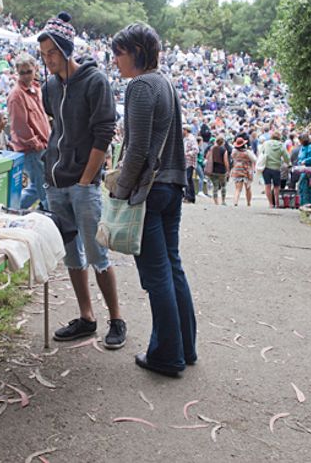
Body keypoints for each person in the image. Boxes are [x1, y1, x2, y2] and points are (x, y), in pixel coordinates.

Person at [110, 22, 196, 377]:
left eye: (119, 53)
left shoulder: (141, 86)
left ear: (137, 52)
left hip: (151, 189)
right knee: (172, 268)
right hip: (172, 186)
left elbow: (137, 150)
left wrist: (119, 191)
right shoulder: (166, 83)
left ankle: (166, 355)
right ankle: (185, 348)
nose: (115, 60)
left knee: (157, 276)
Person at [38, 15, 126, 349]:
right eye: (44, 54)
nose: (48, 59)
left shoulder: (95, 81)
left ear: (65, 49)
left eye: (52, 52)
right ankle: (86, 317)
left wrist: (87, 179)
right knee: (71, 256)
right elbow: (57, 126)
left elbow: (104, 134)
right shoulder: (49, 87)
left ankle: (116, 319)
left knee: (97, 253)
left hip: (83, 185)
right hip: (55, 182)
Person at [6, 52, 51, 209]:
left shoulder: (36, 89)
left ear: (35, 69)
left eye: (29, 71)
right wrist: (36, 143)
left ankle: (12, 209)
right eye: (22, 73)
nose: (26, 76)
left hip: (41, 145)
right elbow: (20, 126)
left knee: (37, 187)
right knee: (44, 188)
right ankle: (51, 216)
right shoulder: (16, 95)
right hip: (31, 149)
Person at [261, 128, 289, 208]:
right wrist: (287, 163)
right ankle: (277, 203)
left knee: (267, 185)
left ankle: (270, 204)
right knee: (277, 186)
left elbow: (261, 153)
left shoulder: (266, 143)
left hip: (266, 167)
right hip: (276, 168)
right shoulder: (281, 145)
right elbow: (286, 157)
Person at [230, 137, 255, 207]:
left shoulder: (234, 151)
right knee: (248, 188)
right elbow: (254, 159)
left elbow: (232, 158)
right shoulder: (248, 152)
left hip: (237, 170)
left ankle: (235, 202)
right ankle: (248, 203)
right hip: (246, 171)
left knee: (238, 189)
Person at [296, 134, 311, 207]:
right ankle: (303, 202)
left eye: (300, 140)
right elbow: (300, 157)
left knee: (309, 185)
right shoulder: (302, 147)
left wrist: (305, 161)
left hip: (310, 169)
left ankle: (310, 202)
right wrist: (300, 162)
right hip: (303, 168)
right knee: (302, 185)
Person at [207, 136, 230, 205]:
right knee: (223, 186)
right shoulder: (224, 150)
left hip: (213, 169)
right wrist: (228, 170)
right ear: (223, 142)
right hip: (222, 170)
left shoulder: (212, 148)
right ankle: (223, 201)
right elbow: (225, 161)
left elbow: (207, 157)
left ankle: (216, 202)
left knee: (215, 186)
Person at [182, 126, 199, 203]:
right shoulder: (185, 139)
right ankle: (190, 197)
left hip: (190, 162)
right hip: (186, 162)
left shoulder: (191, 139)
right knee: (189, 180)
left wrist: (187, 154)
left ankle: (188, 197)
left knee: (188, 179)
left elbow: (196, 150)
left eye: (183, 130)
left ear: (186, 130)